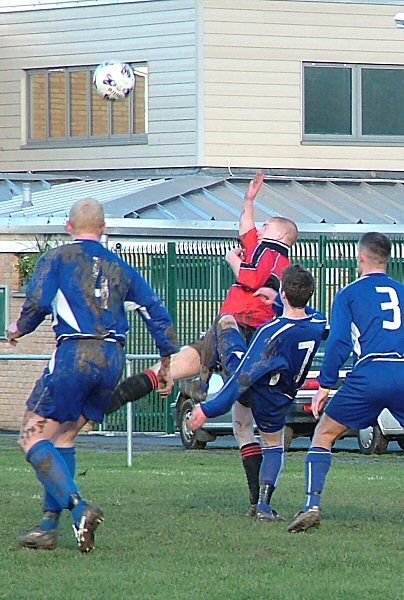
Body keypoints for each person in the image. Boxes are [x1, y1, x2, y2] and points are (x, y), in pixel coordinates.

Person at [106, 171, 299, 514]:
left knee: (200, 376)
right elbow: (245, 229)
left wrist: (233, 263)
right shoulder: (262, 248)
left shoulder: (275, 253)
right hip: (231, 326)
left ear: (281, 235)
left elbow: (253, 279)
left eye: (268, 225)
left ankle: (184, 387)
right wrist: (249, 201)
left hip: (244, 330)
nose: (260, 228)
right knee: (237, 421)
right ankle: (142, 389)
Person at [8, 197, 179, 552]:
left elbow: (39, 300)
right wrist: (165, 359)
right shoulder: (121, 267)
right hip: (113, 358)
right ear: (103, 229)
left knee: (29, 437)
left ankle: (79, 508)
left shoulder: (57, 257)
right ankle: (47, 527)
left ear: (68, 227)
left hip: (75, 354)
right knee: (65, 438)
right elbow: (155, 310)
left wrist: (19, 328)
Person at [188, 265, 326, 521]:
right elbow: (311, 316)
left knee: (225, 320)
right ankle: (263, 505)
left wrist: (206, 409)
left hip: (255, 387)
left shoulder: (270, 333)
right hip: (282, 396)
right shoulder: (318, 323)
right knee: (273, 446)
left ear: (284, 292)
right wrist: (278, 302)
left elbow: (242, 378)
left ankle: (203, 379)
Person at [288, 232, 404, 533]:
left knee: (324, 434)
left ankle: (311, 505)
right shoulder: (402, 292)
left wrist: (324, 386)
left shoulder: (349, 294)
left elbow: (339, 342)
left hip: (369, 373)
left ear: (361, 257)